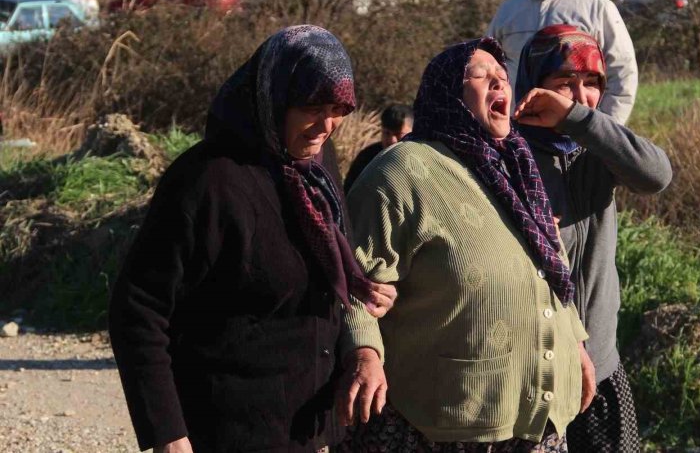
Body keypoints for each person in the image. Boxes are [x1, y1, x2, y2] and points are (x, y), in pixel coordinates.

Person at [108, 25, 397, 453]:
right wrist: (168, 434)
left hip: (313, 431)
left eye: (340, 109)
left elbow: (332, 264)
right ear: (273, 99)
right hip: (229, 430)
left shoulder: (315, 166)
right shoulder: (206, 181)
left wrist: (362, 339)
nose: (327, 125)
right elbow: (138, 309)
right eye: (313, 107)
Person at [336, 37, 593, 452]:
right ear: (447, 93)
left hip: (539, 422)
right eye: (481, 76)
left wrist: (574, 345)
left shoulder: (518, 166)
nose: (499, 85)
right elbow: (354, 281)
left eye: (503, 78)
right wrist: (362, 353)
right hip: (445, 425)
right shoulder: (403, 170)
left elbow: (550, 266)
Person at [513, 24, 672, 452]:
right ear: (533, 86)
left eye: (592, 84)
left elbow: (656, 175)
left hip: (600, 362)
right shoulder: (507, 155)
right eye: (564, 84)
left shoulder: (595, 146)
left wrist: (576, 120)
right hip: (535, 369)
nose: (580, 96)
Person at [486, 0, 638, 126]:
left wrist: (604, 130)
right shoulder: (510, 9)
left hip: (575, 129)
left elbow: (622, 72)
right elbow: (487, 65)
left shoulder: (597, 8)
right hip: (517, 127)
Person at [343, 103, 413, 193]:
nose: (392, 140)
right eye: (387, 133)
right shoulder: (367, 158)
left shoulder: (421, 160)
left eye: (398, 134)